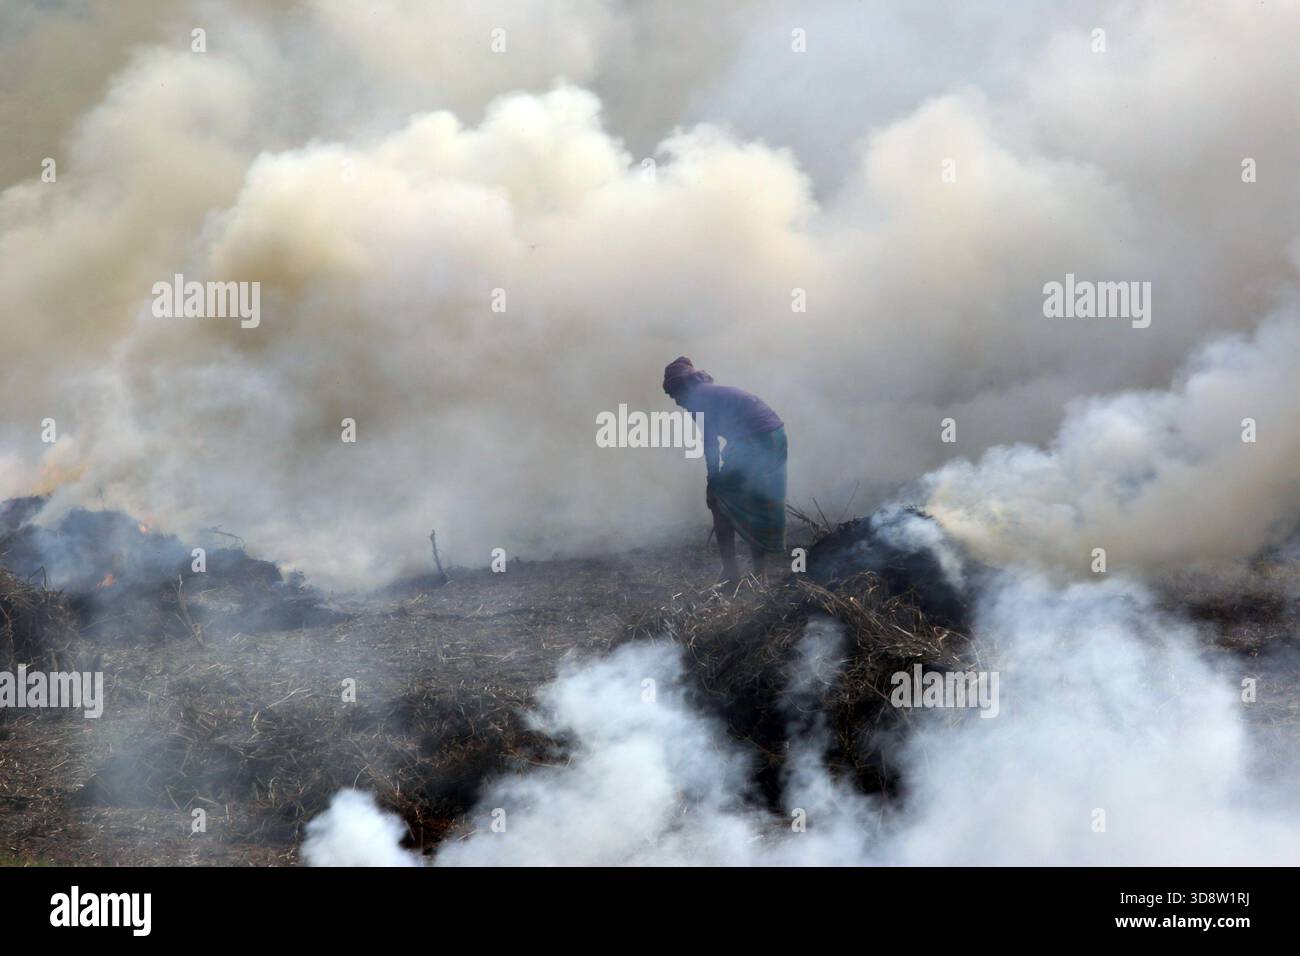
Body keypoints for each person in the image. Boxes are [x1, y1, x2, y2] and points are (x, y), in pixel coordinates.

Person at [662, 356, 787, 584]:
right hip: (776, 437)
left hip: (755, 442)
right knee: (755, 501)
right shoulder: (710, 393)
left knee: (719, 502)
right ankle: (760, 574)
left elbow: (710, 444)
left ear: (683, 388)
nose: (676, 402)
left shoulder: (698, 400)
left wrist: (713, 482)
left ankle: (732, 573)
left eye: (674, 395)